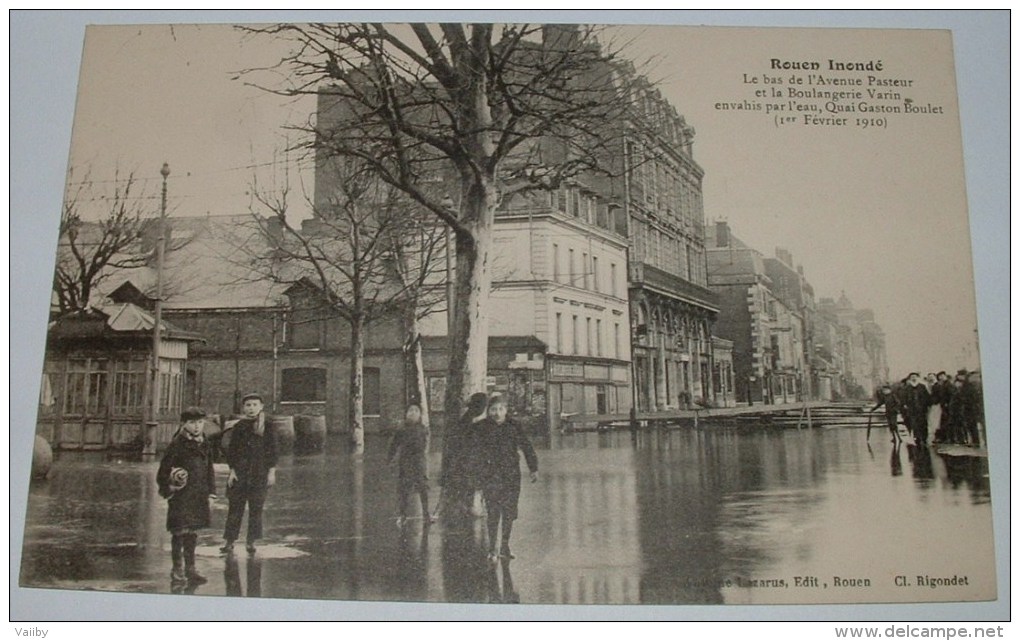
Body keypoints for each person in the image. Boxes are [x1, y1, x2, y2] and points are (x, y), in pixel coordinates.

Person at [157, 407, 216, 587]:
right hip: (181, 496)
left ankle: (191, 570)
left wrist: (211, 492)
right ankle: (177, 570)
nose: (197, 427)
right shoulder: (177, 444)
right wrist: (170, 487)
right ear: (184, 424)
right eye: (192, 423)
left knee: (192, 532)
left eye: (200, 422)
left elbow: (209, 469)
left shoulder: (204, 442)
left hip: (198, 494)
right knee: (179, 532)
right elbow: (163, 472)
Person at [476, 393, 538, 563]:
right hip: (490, 475)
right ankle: (492, 549)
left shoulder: (514, 426)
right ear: (489, 411)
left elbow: (526, 446)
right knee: (494, 511)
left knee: (509, 512)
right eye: (493, 409)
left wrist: (533, 468)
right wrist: (475, 475)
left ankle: (505, 545)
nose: (497, 413)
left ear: (506, 410)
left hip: (511, 475)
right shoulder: (481, 428)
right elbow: (474, 454)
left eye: (500, 409)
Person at [221, 392, 277, 555]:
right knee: (235, 508)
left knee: (256, 509)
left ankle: (251, 541)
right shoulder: (239, 427)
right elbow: (232, 451)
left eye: (254, 405)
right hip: (240, 473)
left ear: (261, 407)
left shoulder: (268, 426)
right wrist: (232, 471)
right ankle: (229, 541)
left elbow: (273, 450)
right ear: (243, 408)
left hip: (259, 473)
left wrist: (271, 472)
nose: (251, 408)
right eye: (248, 405)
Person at [440, 392, 488, 521]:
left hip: (468, 458)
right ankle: (465, 509)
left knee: (469, 484)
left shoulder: (469, 417)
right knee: (468, 484)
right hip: (465, 458)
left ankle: (466, 508)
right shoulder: (469, 419)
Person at [388, 404, 434, 527]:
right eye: (410, 411)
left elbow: (425, 446)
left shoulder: (423, 429)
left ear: (420, 414)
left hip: (419, 463)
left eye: (416, 410)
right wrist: (390, 459)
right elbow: (394, 445)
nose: (413, 413)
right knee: (404, 490)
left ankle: (426, 514)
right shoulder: (401, 429)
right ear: (406, 414)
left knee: (423, 488)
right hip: (406, 462)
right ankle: (403, 515)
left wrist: (424, 462)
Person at [900, 372, 932, 446]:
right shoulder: (907, 388)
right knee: (914, 424)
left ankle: (924, 438)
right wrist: (905, 405)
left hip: (922, 409)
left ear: (917, 378)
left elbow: (927, 397)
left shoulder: (922, 386)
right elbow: (903, 398)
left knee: (923, 423)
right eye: (912, 377)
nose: (913, 378)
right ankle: (917, 438)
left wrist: (927, 405)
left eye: (915, 377)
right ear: (910, 379)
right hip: (912, 409)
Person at [930, 371, 955, 444]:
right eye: (940, 376)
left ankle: (948, 438)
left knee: (946, 422)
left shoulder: (948, 384)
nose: (941, 378)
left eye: (942, 376)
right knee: (943, 422)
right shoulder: (943, 385)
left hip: (947, 406)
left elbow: (951, 395)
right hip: (943, 405)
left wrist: (948, 403)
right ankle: (945, 438)